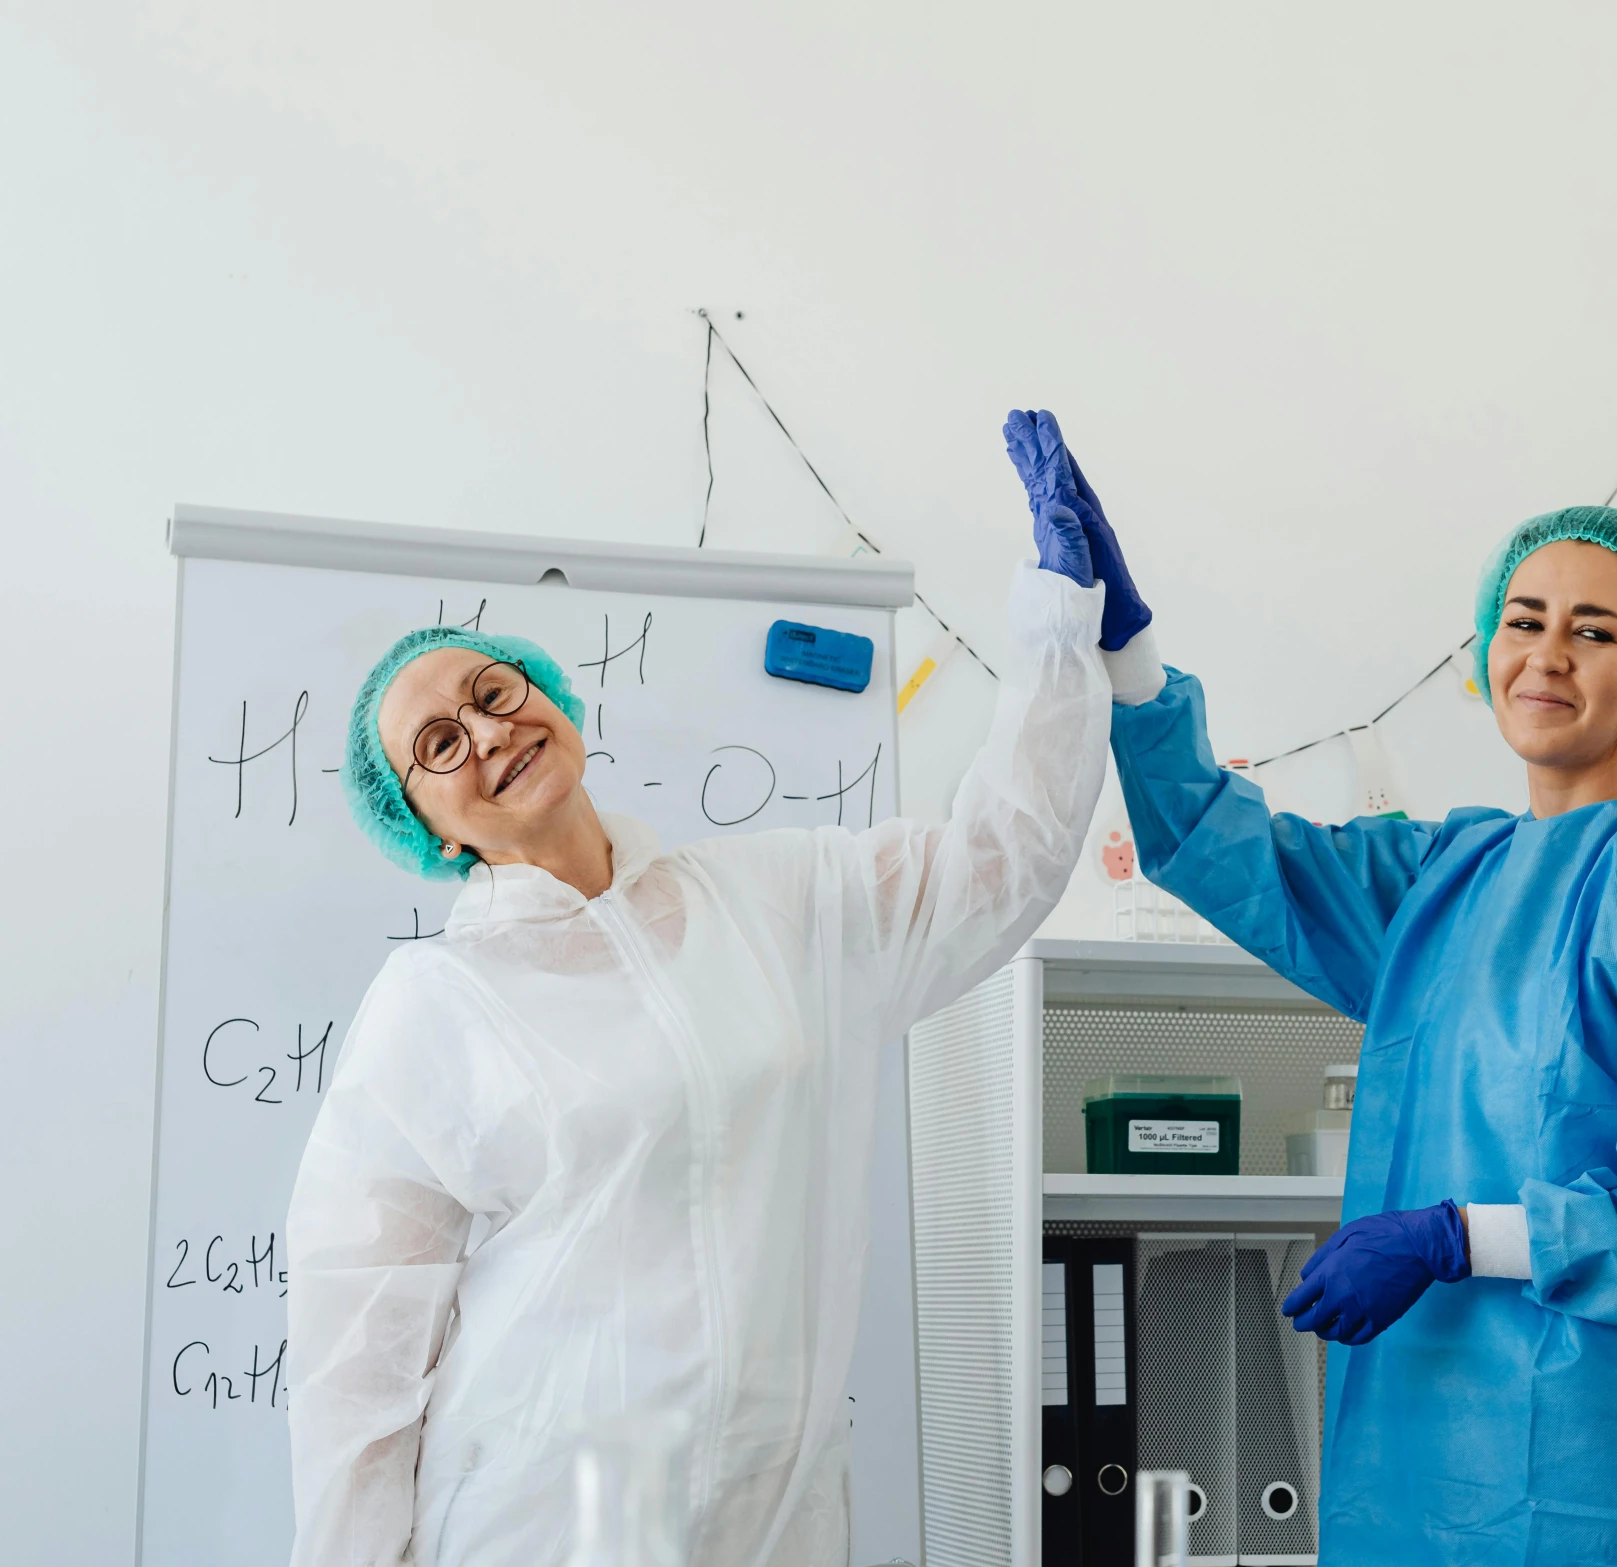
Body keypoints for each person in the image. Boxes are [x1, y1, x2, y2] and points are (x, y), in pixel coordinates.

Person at [284, 412, 1120, 1567]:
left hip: (771, 1517)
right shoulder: (436, 1003)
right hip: (549, 1526)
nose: (484, 731)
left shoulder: (774, 899)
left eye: (490, 690)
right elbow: (356, 1360)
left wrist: (1058, 625)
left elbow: (1002, 857)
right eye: (435, 744)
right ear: (426, 828)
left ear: (548, 699)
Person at [1060, 431, 1617, 1566]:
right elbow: (1218, 842)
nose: (1547, 654)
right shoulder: (1444, 879)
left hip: (1589, 1493)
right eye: (1524, 620)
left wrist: (1452, 1236)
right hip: (1405, 1477)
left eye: (1594, 629)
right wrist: (1126, 651)